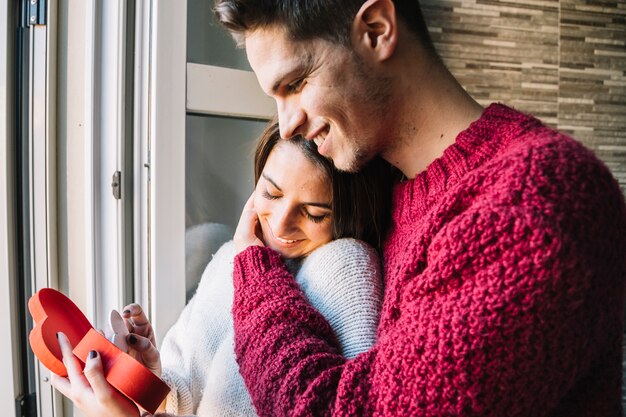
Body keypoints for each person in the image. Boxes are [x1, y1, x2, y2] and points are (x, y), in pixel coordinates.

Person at [212, 0, 626, 416]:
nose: (286, 125)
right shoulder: (375, 194)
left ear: (376, 29)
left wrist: (255, 273)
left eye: (297, 83)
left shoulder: (541, 196)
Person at [51, 120, 396, 416]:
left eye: (314, 213)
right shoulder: (231, 257)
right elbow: (183, 394)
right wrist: (150, 375)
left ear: (351, 215)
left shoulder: (346, 266)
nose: (280, 223)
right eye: (271, 193)